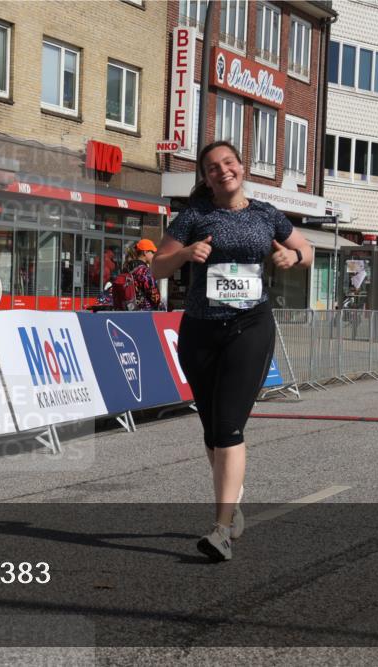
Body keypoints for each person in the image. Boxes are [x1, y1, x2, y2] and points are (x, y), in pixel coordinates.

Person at [151, 140, 312, 562]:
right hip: (201, 329)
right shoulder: (193, 217)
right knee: (211, 430)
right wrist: (186, 253)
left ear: (242, 167)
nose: (222, 171)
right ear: (204, 177)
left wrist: (292, 257)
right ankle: (233, 504)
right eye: (212, 167)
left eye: (228, 163)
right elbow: (157, 267)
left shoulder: (265, 214)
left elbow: (306, 250)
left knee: (228, 429)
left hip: (250, 325)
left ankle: (221, 529)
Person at [120, 238, 162, 311]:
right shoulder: (145, 271)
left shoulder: (126, 268)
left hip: (128, 311)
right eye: (152, 252)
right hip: (144, 313)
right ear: (145, 252)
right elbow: (155, 298)